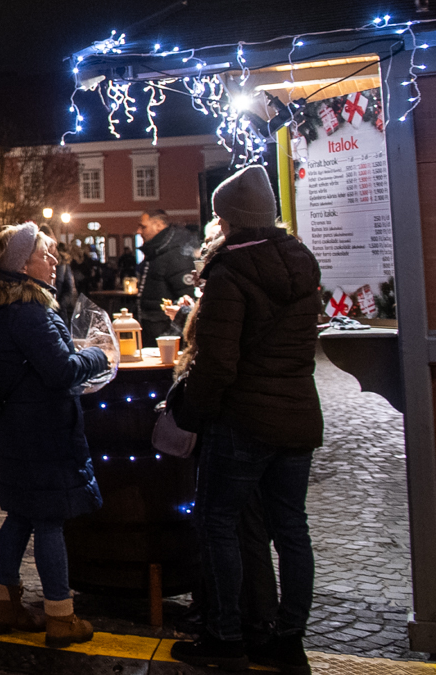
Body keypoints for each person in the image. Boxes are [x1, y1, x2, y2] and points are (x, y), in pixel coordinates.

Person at [169, 166, 322, 674]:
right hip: (297, 418)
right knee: (291, 529)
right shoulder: (301, 263)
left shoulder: (231, 273)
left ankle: (226, 635)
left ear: (231, 218)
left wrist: (189, 410)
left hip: (243, 423)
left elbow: (218, 364)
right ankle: (289, 638)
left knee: (218, 522)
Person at [0, 222, 114, 648]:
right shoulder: (29, 309)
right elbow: (61, 370)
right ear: (22, 263)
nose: (53, 262)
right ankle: (60, 616)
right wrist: (97, 355)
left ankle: (4, 605)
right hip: (43, 429)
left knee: (21, 515)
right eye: (45, 254)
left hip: (12, 427)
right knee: (49, 519)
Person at [136, 210, 197, 340]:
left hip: (167, 336)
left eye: (143, 226)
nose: (139, 231)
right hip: (156, 332)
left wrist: (172, 334)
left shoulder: (175, 253)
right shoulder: (157, 251)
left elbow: (187, 298)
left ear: (158, 225)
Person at [52, 243, 79, 320]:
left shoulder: (61, 261)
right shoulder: (66, 262)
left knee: (62, 313)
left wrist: (56, 296)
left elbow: (60, 280)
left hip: (63, 294)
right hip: (69, 293)